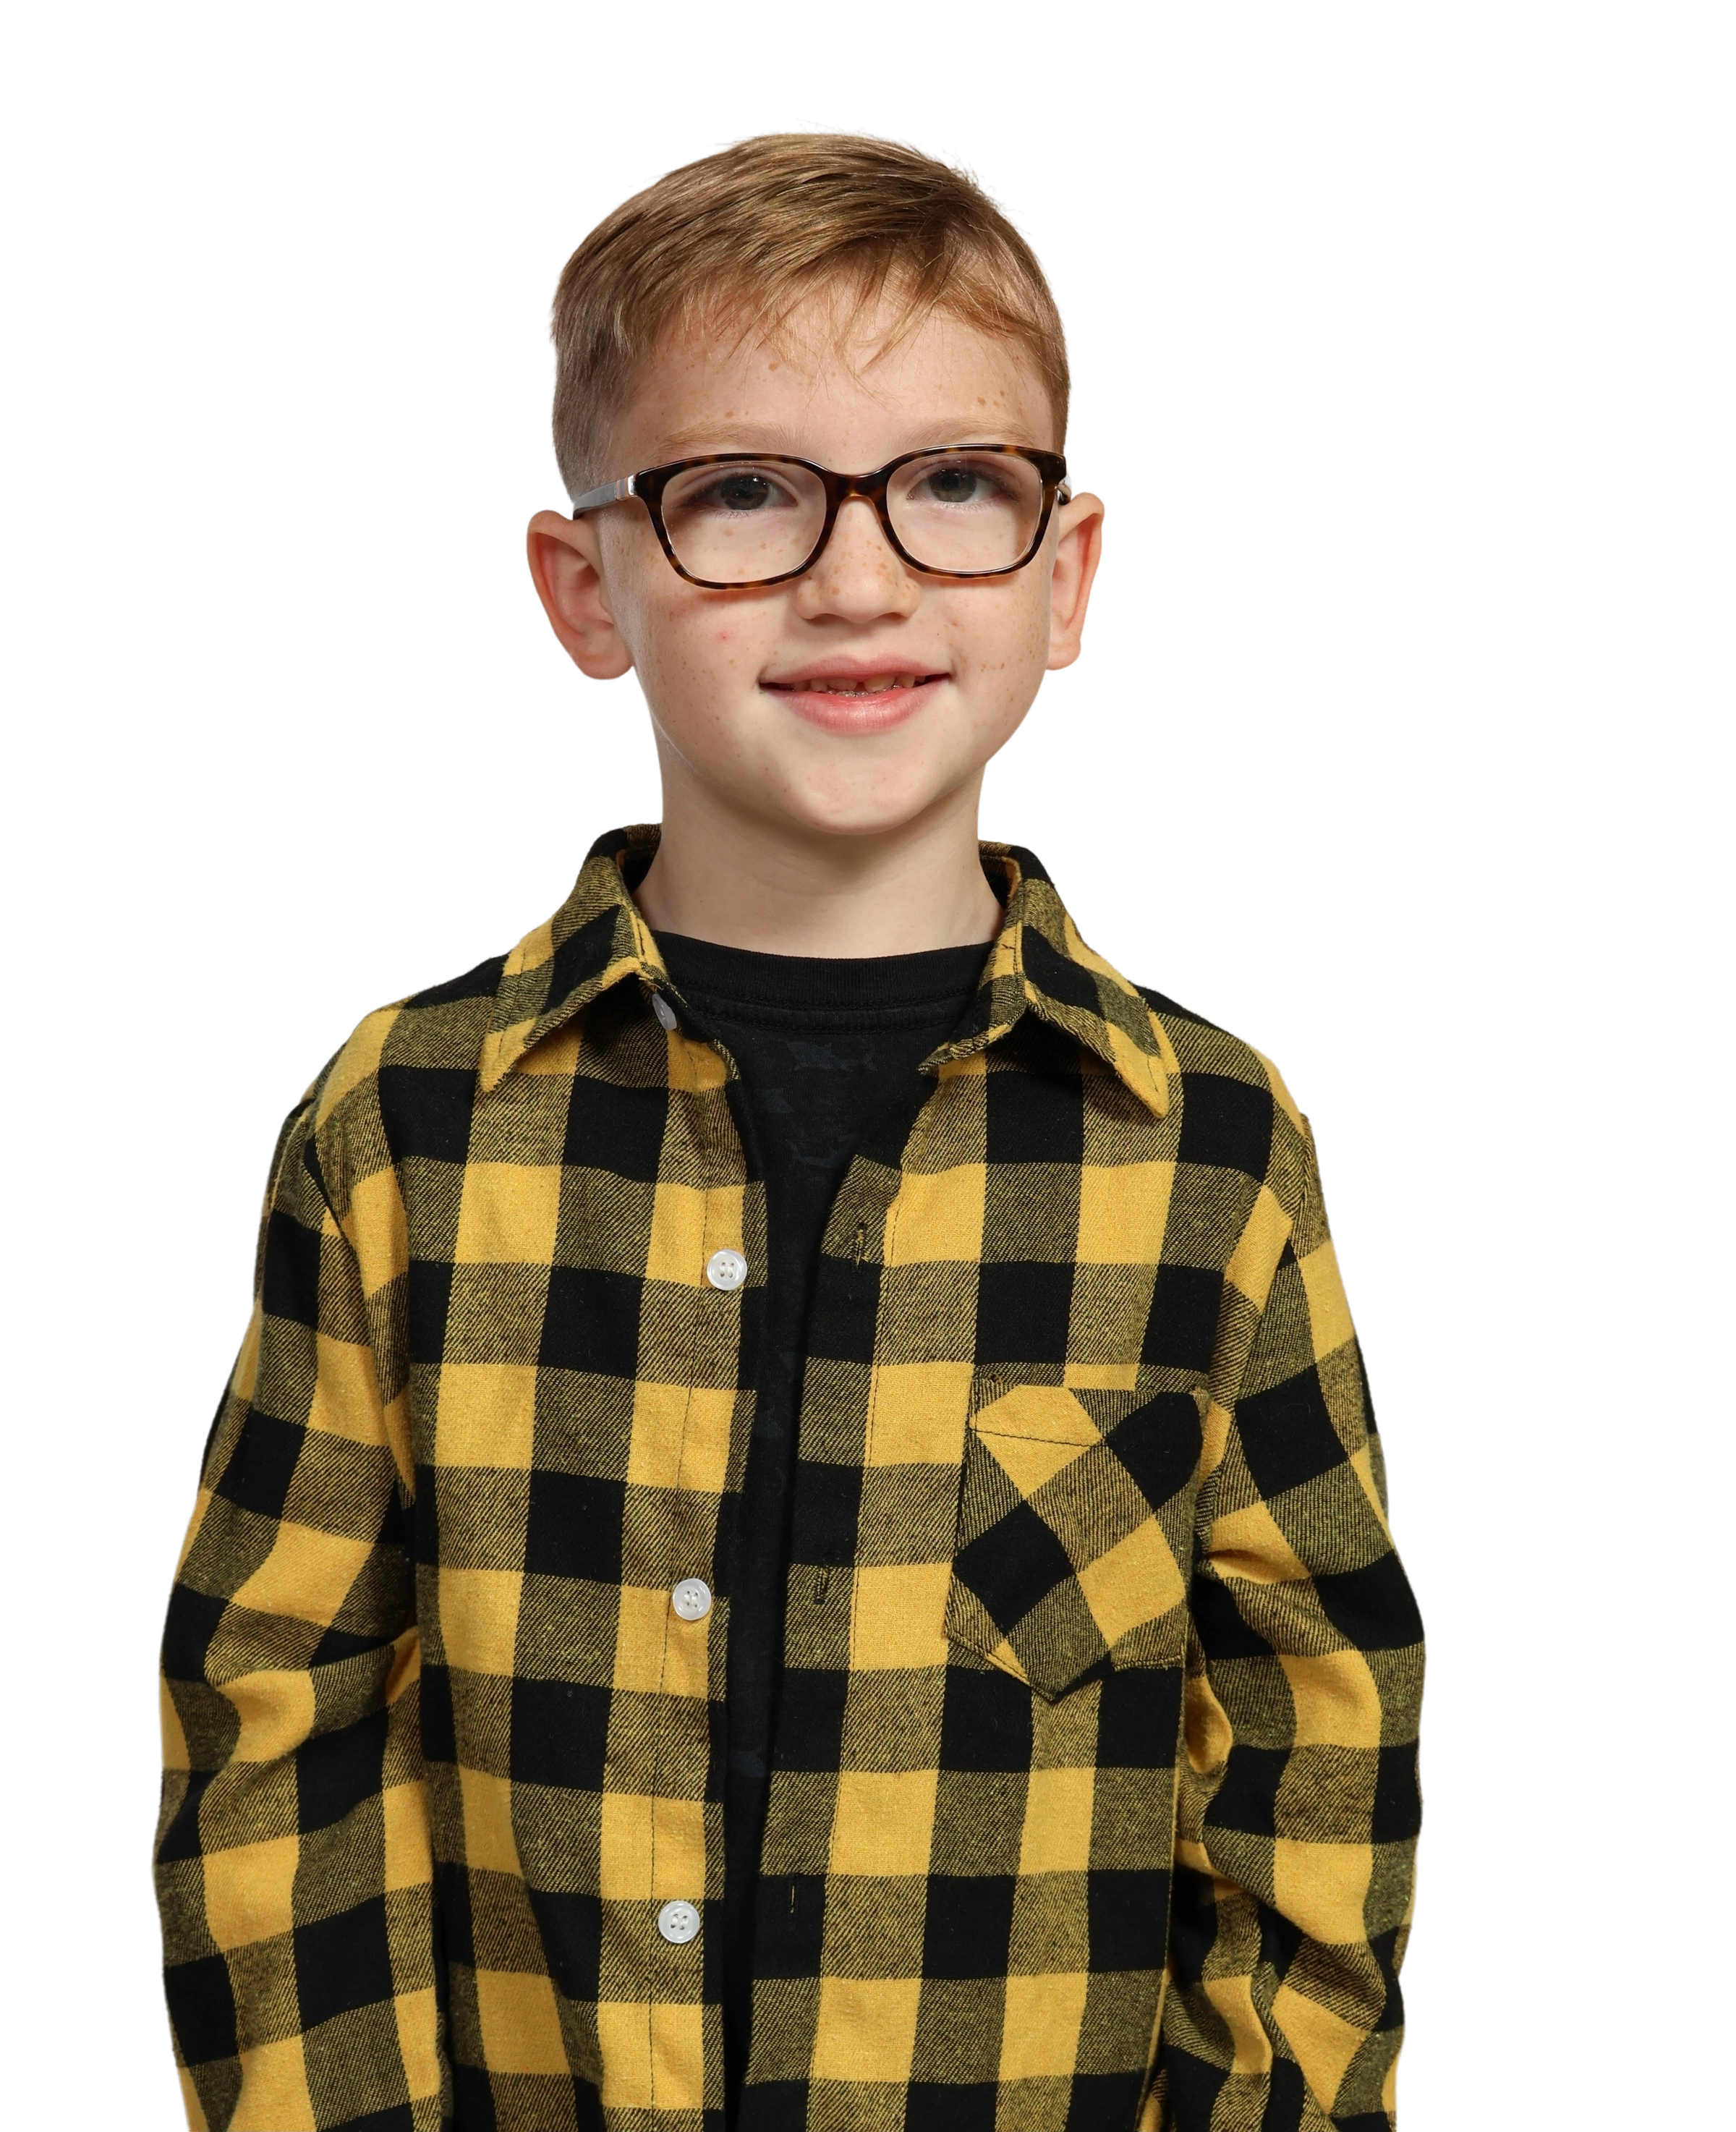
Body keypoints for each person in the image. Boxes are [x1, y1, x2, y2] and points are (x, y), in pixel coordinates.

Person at [153, 127, 1426, 2132]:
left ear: (1068, 574)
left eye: (953, 483)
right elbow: (269, 1723)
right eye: (742, 491)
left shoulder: (1210, 1147)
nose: (856, 577)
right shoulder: (401, 1129)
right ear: (586, 588)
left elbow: (1314, 1732)